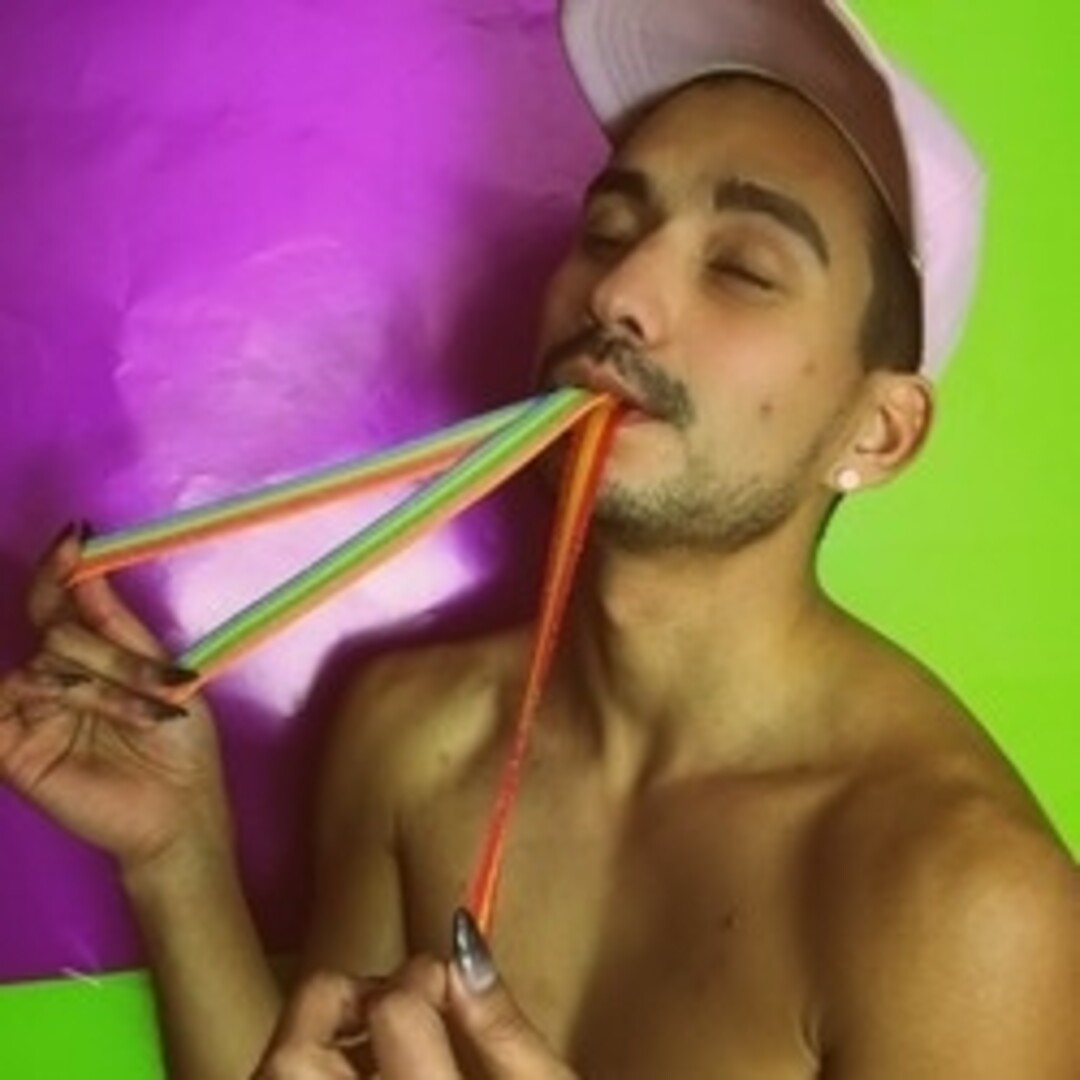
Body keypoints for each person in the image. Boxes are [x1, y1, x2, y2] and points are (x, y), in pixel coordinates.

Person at [1, 1, 1076, 1077]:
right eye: (607, 231)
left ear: (878, 433)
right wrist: (177, 861)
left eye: (743, 267)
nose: (618, 292)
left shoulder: (969, 906)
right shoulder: (413, 736)